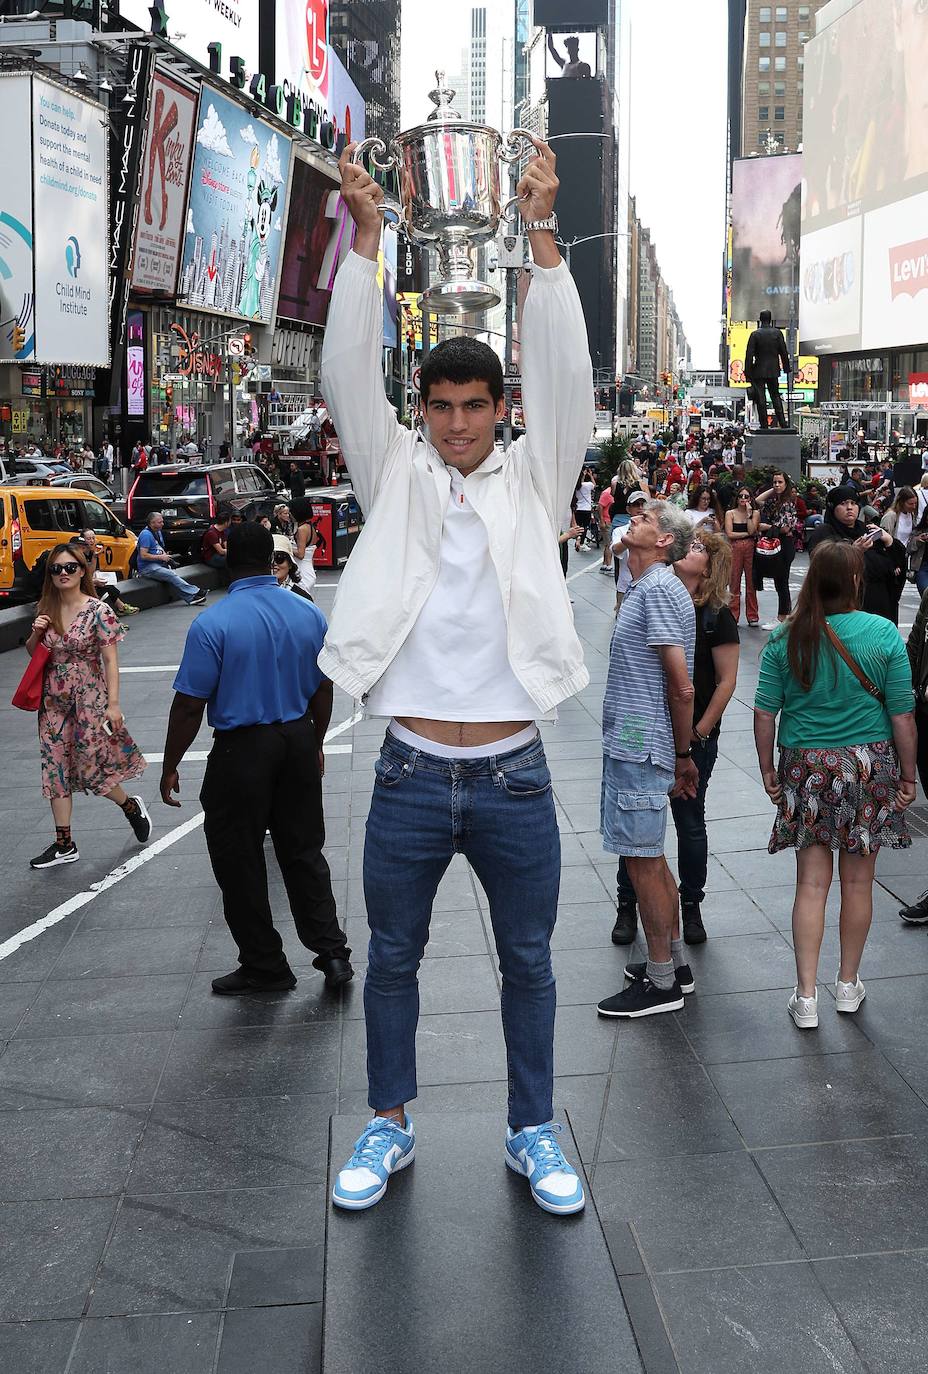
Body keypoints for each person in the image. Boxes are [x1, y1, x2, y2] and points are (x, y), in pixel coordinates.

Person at [321, 137, 592, 1216]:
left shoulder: (539, 473)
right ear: (423, 410)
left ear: (499, 408)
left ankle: (534, 1132)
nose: (458, 424)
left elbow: (565, 372)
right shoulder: (395, 474)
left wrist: (539, 237)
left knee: (527, 963)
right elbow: (348, 372)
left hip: (517, 777)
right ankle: (387, 1125)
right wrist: (366, 238)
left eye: (476, 406)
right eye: (440, 407)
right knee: (392, 961)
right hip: (411, 772)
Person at [160, 522, 353, 995]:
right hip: (297, 740)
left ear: (228, 560)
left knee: (238, 858)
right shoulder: (308, 615)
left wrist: (169, 765)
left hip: (243, 750)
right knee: (304, 851)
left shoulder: (213, 623)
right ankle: (331, 954)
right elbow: (323, 688)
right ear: (272, 559)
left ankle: (265, 963)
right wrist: (316, 743)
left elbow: (189, 705)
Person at [753, 541, 916, 1028]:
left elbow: (765, 712)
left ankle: (806, 997)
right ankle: (847, 984)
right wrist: (909, 775)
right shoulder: (883, 632)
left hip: (807, 768)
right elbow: (901, 713)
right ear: (857, 582)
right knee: (860, 883)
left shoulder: (787, 638)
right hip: (869, 764)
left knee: (811, 884)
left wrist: (768, 769)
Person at [596, 499, 698, 1015]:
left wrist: (683, 753)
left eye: (645, 520)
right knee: (648, 858)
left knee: (642, 860)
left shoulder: (656, 588)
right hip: (639, 739)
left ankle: (661, 983)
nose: (633, 520)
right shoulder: (648, 585)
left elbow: (681, 687)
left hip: (642, 743)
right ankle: (673, 963)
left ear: (663, 542)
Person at [615, 531, 739, 956]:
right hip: (644, 729)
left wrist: (693, 738)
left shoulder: (708, 611)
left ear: (710, 567)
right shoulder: (655, 590)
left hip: (686, 733)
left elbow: (716, 684)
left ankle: (689, 907)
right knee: (635, 829)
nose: (692, 549)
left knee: (684, 822)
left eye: (702, 549)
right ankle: (629, 904)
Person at [24, 542, 151, 869]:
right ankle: (64, 843)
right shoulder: (46, 608)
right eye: (56, 569)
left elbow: (110, 661)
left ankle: (130, 807)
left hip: (89, 700)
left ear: (82, 571)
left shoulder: (99, 611)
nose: (63, 574)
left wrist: (114, 703)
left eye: (70, 568)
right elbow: (33, 653)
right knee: (55, 768)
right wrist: (36, 634)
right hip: (53, 701)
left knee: (91, 769)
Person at [807, 486, 907, 624]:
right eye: (843, 504)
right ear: (832, 507)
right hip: (845, 609)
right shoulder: (824, 533)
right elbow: (822, 566)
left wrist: (889, 541)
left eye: (853, 503)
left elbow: (897, 565)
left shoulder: (868, 530)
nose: (849, 508)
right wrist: (853, 552)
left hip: (880, 607)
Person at [754, 471, 800, 630]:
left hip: (784, 545)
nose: (777, 485)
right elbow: (758, 500)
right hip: (776, 544)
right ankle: (783, 616)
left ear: (786, 484)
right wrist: (773, 490)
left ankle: (782, 617)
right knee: (779, 581)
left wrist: (767, 527)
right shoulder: (775, 500)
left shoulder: (788, 503)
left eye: (780, 482)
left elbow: (785, 528)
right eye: (774, 482)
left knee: (782, 582)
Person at [136, 512, 207, 606]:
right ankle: (196, 591)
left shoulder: (158, 532)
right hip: (147, 567)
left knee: (170, 577)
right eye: (159, 522)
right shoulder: (146, 535)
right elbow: (143, 555)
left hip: (158, 563)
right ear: (152, 523)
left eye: (162, 521)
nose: (162, 524)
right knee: (170, 574)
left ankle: (191, 598)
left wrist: (167, 557)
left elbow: (158, 548)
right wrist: (161, 557)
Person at [744, 311, 791, 431]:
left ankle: (764, 424)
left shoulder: (755, 334)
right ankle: (783, 423)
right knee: (775, 396)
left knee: (761, 398)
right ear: (770, 319)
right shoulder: (777, 333)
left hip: (758, 370)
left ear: (760, 319)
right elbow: (783, 352)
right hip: (773, 370)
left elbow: (749, 355)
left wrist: (747, 373)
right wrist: (786, 367)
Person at [76, 529, 139, 618]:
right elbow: (81, 578)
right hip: (80, 586)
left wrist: (94, 557)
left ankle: (117, 611)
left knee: (106, 585)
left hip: (87, 581)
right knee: (104, 588)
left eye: (93, 538)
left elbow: (90, 573)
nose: (92, 541)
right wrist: (93, 581)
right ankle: (118, 609)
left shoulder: (93, 552)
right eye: (88, 539)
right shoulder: (77, 556)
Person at [725, 485, 760, 626]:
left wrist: (749, 514)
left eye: (746, 496)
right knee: (734, 582)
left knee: (752, 582)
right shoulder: (730, 513)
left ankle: (752, 616)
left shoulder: (755, 513)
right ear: (737, 498)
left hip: (751, 548)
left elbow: (752, 529)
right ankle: (733, 615)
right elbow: (730, 534)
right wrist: (747, 534)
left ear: (751, 499)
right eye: (741, 496)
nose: (743, 499)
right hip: (735, 547)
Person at [289, 498, 319, 594]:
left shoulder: (302, 529)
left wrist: (287, 546)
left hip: (302, 572)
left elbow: (301, 554)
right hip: (308, 569)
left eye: (291, 510)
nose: (289, 513)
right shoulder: (310, 526)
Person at [272, 532, 314, 600]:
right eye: (269, 559)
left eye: (279, 558)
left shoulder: (303, 598)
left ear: (290, 564)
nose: (274, 563)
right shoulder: (254, 595)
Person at [573, 467, 596, 550]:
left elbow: (580, 483)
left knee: (578, 526)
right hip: (586, 509)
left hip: (578, 508)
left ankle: (577, 539)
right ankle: (582, 542)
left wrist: (582, 475)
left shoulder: (576, 486)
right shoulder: (588, 485)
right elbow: (594, 485)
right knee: (585, 526)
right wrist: (591, 475)